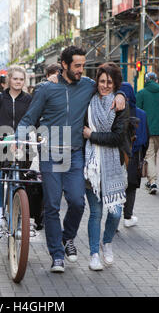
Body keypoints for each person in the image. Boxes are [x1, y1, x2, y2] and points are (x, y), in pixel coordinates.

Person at [16, 46, 126, 273]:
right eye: (77, 66)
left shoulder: (87, 85)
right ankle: (57, 255)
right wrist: (19, 138)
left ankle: (67, 238)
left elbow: (112, 84)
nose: (81, 70)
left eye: (83, 65)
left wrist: (123, 94)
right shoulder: (46, 88)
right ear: (64, 65)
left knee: (77, 202)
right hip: (50, 152)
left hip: (76, 152)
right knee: (53, 205)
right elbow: (29, 118)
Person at [82, 63, 131, 271]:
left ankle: (107, 241)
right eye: (102, 81)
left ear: (115, 83)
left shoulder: (120, 105)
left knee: (116, 213)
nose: (105, 85)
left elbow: (117, 137)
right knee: (95, 212)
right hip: (91, 167)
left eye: (109, 82)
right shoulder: (89, 102)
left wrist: (92, 135)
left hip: (114, 165)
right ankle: (94, 254)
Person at [0, 66, 32, 236]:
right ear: (9, 80)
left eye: (21, 79)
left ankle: (17, 212)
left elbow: (36, 119)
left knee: (19, 178)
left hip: (22, 144)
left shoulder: (29, 99)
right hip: (2, 142)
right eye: (15, 78)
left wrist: (37, 134)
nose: (18, 82)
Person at [136, 72, 159, 194]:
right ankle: (151, 179)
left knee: (150, 155)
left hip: (147, 129)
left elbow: (137, 111)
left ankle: (152, 181)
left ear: (146, 81)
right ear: (156, 80)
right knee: (152, 154)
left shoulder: (141, 93)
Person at [120, 82, 149, 228]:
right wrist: (141, 156)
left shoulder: (115, 112)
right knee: (131, 187)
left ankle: (115, 216)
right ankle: (128, 216)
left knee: (117, 185)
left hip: (118, 156)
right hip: (135, 155)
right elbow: (146, 140)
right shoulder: (141, 114)